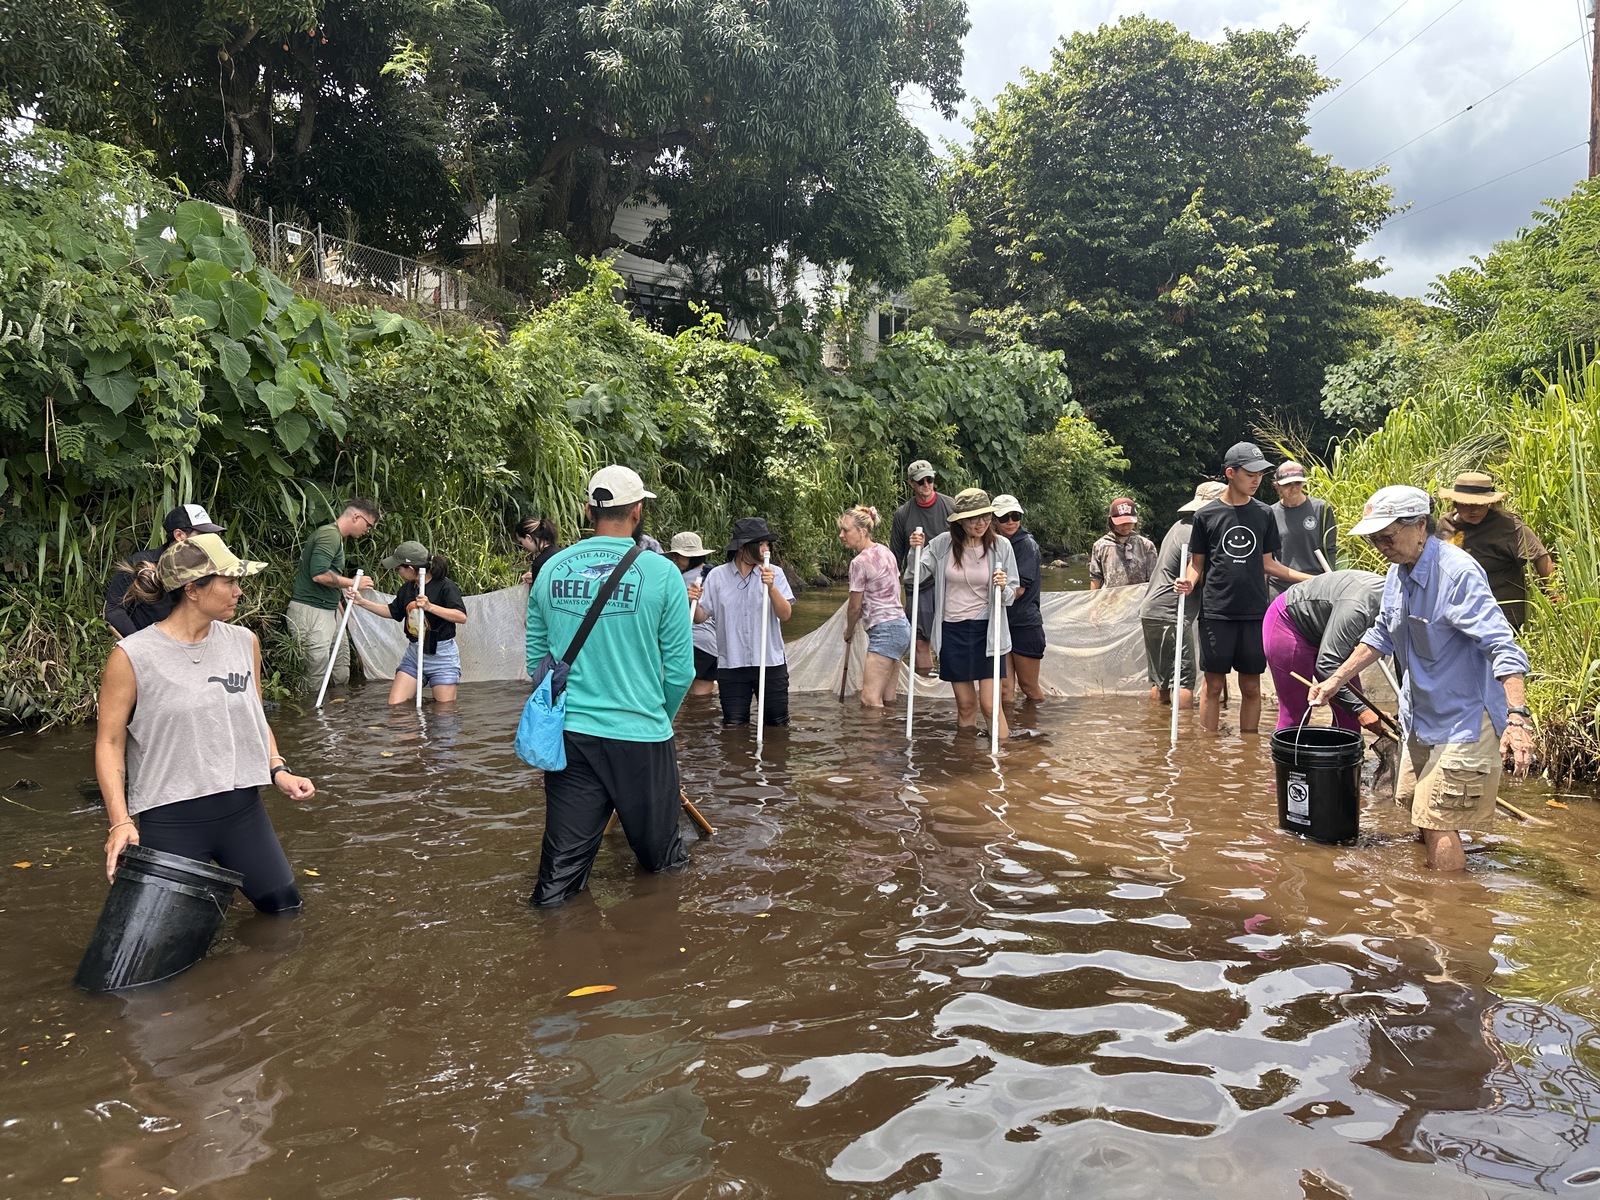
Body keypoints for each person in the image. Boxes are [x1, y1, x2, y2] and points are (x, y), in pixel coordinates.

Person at [1308, 485, 1535, 872]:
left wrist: (1518, 718)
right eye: (1374, 538)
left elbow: (1503, 646)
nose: (1381, 545)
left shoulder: (1457, 574)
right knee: (1418, 810)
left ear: (1420, 526)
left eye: (1387, 536)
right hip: (1422, 714)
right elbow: (1381, 634)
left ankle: (1447, 918)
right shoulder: (1398, 571)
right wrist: (1335, 681)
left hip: (1465, 719)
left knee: (1439, 819)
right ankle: (1420, 904)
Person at [95, 534, 315, 912]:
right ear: (193, 589)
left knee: (285, 912)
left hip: (243, 812)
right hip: (170, 820)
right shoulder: (133, 656)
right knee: (149, 949)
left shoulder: (245, 642)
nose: (239, 591)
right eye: (229, 581)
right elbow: (110, 743)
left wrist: (277, 768)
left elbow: (254, 716)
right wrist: (120, 822)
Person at [524, 465, 694, 906]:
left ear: (587, 511)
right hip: (641, 736)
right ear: (637, 512)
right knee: (664, 865)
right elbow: (680, 671)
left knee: (558, 880)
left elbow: (537, 663)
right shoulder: (662, 574)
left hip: (571, 738)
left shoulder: (550, 569)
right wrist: (658, 719)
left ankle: (550, 957)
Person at [1174, 442, 1313, 733]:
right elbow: (1197, 563)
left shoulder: (1263, 515)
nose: (1256, 480)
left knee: (1251, 686)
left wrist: (1311, 580)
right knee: (1213, 685)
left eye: (1261, 474)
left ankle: (1248, 752)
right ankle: (1209, 749)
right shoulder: (1206, 516)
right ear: (1230, 473)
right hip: (1216, 612)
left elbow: (1269, 564)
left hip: (1254, 612)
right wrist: (1189, 581)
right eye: (1250, 473)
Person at [906, 489, 1018, 738]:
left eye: (986, 517)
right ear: (960, 520)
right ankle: (966, 761)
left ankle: (1004, 762)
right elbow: (914, 576)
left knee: (990, 705)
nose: (981, 523)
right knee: (966, 705)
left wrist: (1002, 586)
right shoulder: (942, 544)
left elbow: (1011, 592)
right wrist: (914, 550)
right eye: (973, 518)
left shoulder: (1001, 546)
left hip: (989, 631)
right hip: (952, 630)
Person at [692, 517, 794, 726]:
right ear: (742, 547)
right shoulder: (717, 576)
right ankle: (739, 759)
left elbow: (785, 614)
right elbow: (700, 617)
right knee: (733, 726)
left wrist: (772, 587)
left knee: (777, 725)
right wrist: (691, 600)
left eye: (768, 544)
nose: (766, 549)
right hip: (732, 663)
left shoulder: (776, 574)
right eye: (761, 544)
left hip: (769, 662)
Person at [1265, 569, 1388, 736]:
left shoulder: (1407, 612)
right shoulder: (1359, 607)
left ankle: (1344, 762)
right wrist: (1363, 710)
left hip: (1329, 636)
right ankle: (1284, 762)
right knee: (1297, 712)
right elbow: (1327, 663)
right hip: (1290, 624)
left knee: (1349, 713)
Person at [344, 541, 469, 705]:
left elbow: (461, 616)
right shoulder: (408, 589)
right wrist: (361, 602)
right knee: (397, 707)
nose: (397, 572)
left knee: (444, 715)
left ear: (410, 569)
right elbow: (392, 611)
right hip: (414, 653)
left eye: (398, 568)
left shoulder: (445, 586)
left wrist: (430, 607)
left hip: (442, 655)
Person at [1436, 470, 1558, 632]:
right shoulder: (1445, 525)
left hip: (1502, 615)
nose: (1474, 511)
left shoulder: (1508, 526)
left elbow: (1540, 556)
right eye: (1467, 505)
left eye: (1480, 505)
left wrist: (1555, 597)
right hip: (1459, 612)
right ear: (1455, 503)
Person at [1140, 481, 1226, 706]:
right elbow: (1195, 574)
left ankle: (1156, 728)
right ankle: (1187, 737)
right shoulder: (1194, 532)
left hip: (1151, 611)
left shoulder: (1180, 525)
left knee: (1161, 681)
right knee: (1184, 681)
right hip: (1172, 613)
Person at [287, 498, 380, 691]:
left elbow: (331, 579)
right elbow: (319, 575)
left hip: (330, 609)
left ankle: (338, 716)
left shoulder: (337, 538)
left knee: (341, 668)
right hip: (311, 610)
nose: (367, 531)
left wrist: (341, 613)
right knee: (316, 672)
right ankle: (313, 718)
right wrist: (354, 583)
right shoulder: (330, 535)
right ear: (356, 517)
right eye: (368, 525)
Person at [104, 504, 225, 639]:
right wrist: (139, 644)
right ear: (179, 535)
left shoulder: (208, 567)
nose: (209, 541)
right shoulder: (139, 564)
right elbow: (113, 610)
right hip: (148, 646)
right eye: (203, 535)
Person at [838, 505, 910, 708]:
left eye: (846, 530)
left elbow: (854, 608)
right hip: (901, 627)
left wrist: (849, 630)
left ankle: (870, 740)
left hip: (885, 631)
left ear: (862, 532)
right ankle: (891, 736)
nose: (841, 535)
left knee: (869, 701)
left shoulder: (859, 563)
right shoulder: (886, 552)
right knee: (887, 700)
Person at [889, 460, 955, 675]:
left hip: (950, 582)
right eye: (920, 482)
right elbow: (895, 557)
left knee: (950, 638)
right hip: (918, 584)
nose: (926, 485)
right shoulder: (902, 514)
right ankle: (926, 691)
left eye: (930, 479)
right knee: (919, 642)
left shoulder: (951, 507)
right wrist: (892, 592)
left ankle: (949, 682)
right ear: (911, 484)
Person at [993, 495, 1045, 704]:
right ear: (994, 520)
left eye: (1015, 516)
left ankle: (1035, 732)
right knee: (1005, 688)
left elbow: (1019, 590)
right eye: (1004, 517)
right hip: (1002, 623)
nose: (1011, 521)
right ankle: (1010, 733)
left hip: (1024, 623)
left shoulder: (1026, 545)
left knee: (1029, 687)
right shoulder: (995, 544)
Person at [1268, 460, 1339, 595]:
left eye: (1298, 483)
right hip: (1280, 586)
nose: (1293, 488)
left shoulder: (1321, 508)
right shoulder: (1270, 513)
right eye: (1288, 484)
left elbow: (1330, 548)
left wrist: (1331, 579)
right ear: (1277, 485)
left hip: (1315, 584)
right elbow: (1268, 558)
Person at [667, 531, 717, 698]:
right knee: (702, 699)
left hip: (692, 644)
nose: (674, 559)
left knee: (679, 695)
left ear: (690, 558)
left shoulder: (682, 580)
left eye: (677, 555)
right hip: (712, 646)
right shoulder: (713, 575)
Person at [1088, 497, 1158, 590]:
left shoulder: (1146, 545)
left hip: (1139, 599)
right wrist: (1094, 602)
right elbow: (1096, 578)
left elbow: (1154, 579)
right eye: (1121, 523)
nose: (1125, 526)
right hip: (1111, 600)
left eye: (1129, 522)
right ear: (1111, 522)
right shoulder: (1101, 546)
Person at [517, 516, 560, 586]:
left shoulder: (539, 563)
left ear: (528, 538)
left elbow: (539, 593)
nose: (523, 546)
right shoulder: (561, 553)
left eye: (521, 542)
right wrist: (536, 577)